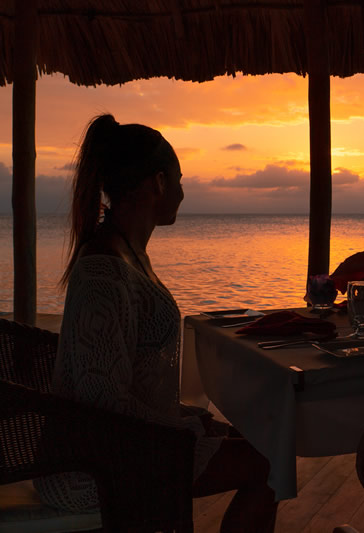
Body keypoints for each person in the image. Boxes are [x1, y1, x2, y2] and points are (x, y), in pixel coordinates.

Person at [33, 114, 278, 532]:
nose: (183, 193)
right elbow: (102, 400)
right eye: (180, 180)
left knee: (265, 445)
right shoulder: (103, 275)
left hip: (136, 440)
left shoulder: (128, 255)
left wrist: (183, 414)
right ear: (158, 183)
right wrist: (179, 424)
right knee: (269, 466)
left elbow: (126, 381)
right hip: (94, 466)